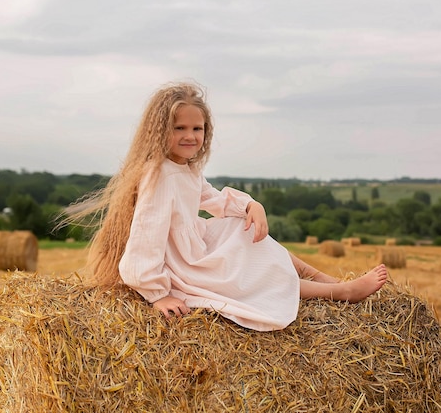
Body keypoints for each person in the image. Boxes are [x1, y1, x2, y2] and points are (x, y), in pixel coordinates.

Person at [68, 82, 387, 331]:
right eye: (179, 128)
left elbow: (215, 200)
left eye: (197, 128)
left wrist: (252, 206)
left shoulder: (184, 167)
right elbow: (145, 238)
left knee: (245, 232)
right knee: (255, 271)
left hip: (193, 249)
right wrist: (157, 293)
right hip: (182, 265)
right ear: (158, 131)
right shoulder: (158, 174)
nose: (190, 136)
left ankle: (328, 279)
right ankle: (341, 293)